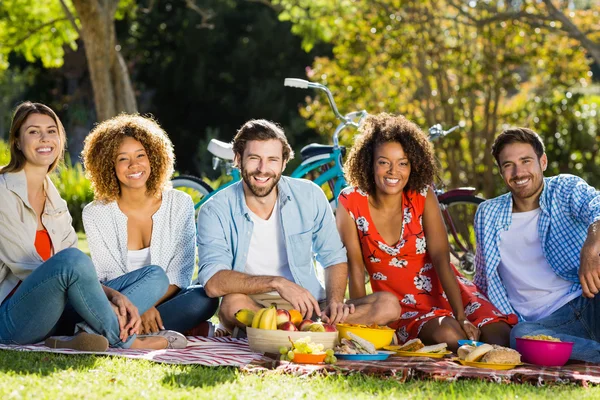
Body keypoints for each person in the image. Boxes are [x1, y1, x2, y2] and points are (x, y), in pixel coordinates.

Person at [197, 119, 400, 334]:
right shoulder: (215, 209)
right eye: (254, 158)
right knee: (232, 305)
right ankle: (321, 333)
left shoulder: (310, 195)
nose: (263, 169)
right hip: (256, 306)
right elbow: (213, 282)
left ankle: (302, 331)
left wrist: (334, 302)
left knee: (388, 304)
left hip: (311, 305)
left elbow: (333, 257)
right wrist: (278, 283)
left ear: (284, 163)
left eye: (272, 160)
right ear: (238, 159)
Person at [0, 102, 176, 351]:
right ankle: (123, 339)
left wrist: (113, 296)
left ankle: (83, 334)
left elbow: (75, 272)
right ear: (17, 141)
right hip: (11, 318)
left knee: (155, 275)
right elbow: (29, 267)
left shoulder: (54, 198)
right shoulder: (3, 190)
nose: (44, 138)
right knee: (72, 260)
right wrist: (106, 299)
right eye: (33, 132)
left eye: (51, 131)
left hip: (56, 312)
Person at [336, 113, 516, 351]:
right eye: (383, 162)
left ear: (413, 165)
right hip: (400, 308)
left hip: (450, 291)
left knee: (501, 337)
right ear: (369, 162)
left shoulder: (422, 194)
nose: (393, 172)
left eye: (403, 163)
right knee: (450, 335)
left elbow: (442, 258)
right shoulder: (350, 201)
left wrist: (462, 316)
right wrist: (366, 326)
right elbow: (356, 269)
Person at [81, 114, 219, 337]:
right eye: (122, 159)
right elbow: (106, 275)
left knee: (203, 298)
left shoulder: (179, 203)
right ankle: (166, 328)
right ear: (109, 165)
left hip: (165, 300)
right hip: (118, 302)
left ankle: (118, 331)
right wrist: (139, 305)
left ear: (154, 157)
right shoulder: (96, 213)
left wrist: (148, 305)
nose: (134, 165)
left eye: (140, 155)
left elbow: (180, 272)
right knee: (92, 303)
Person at [474, 127, 600, 362]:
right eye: (508, 165)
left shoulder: (565, 188)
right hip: (543, 325)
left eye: (525, 160)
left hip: (589, 299)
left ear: (542, 162)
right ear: (501, 172)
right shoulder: (487, 214)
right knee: (522, 337)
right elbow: (482, 280)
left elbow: (597, 206)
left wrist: (591, 248)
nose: (518, 171)